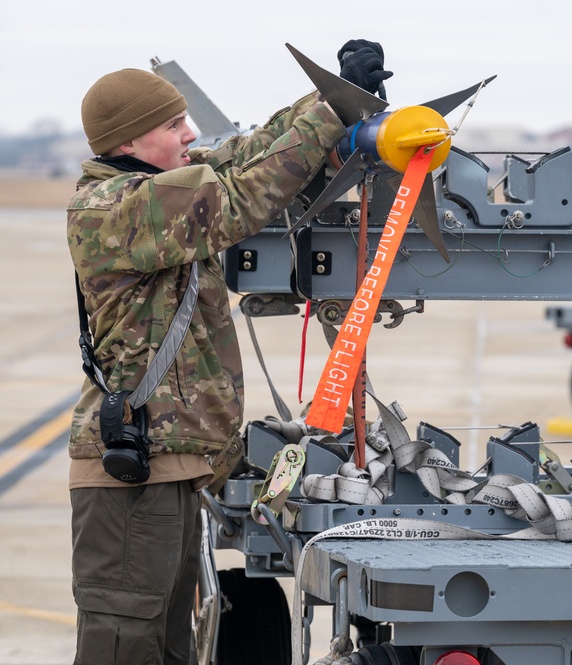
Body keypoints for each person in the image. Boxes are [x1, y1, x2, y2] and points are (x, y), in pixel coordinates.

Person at [67, 42, 391, 665]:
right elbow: (241, 197)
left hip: (173, 467)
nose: (190, 133)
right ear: (131, 140)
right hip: (136, 475)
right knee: (124, 648)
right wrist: (328, 109)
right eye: (172, 125)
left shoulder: (158, 190)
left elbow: (243, 155)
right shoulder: (115, 210)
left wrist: (334, 99)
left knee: (167, 649)